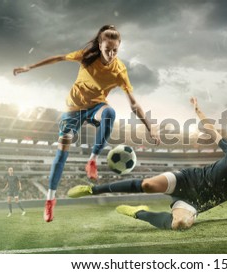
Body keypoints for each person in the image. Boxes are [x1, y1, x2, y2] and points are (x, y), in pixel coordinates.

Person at [13, 25, 160, 222]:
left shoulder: (119, 70)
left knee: (110, 112)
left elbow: (133, 104)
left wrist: (150, 127)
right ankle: (50, 200)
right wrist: (29, 67)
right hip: (73, 110)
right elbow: (58, 58)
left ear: (119, 47)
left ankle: (92, 159)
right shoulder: (86, 56)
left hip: (95, 107)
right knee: (62, 153)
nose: (111, 53)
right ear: (100, 45)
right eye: (107, 49)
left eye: (115, 50)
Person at [67, 97, 227, 230]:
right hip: (187, 179)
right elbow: (212, 130)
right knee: (148, 185)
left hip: (194, 202)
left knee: (179, 224)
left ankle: (138, 212)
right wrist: (198, 111)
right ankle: (92, 189)